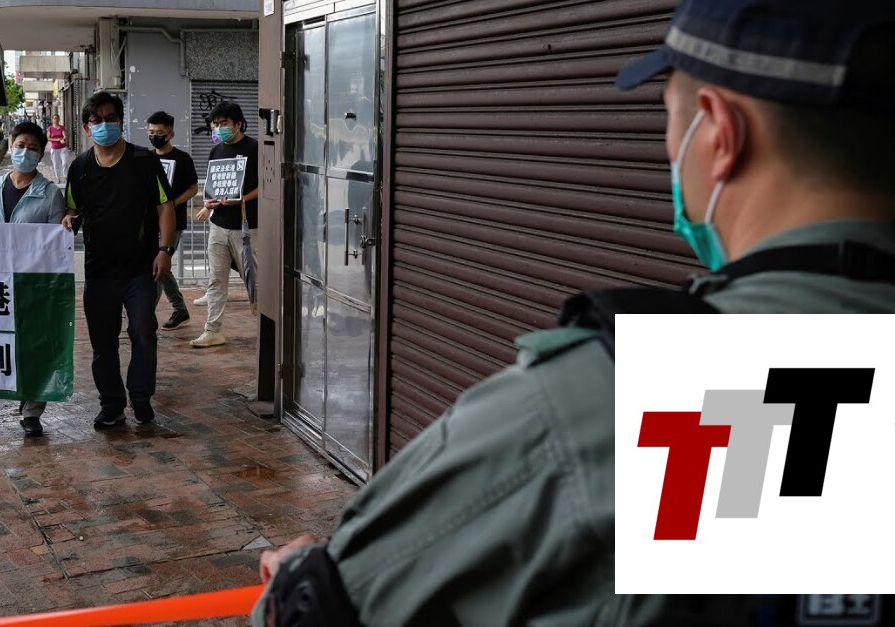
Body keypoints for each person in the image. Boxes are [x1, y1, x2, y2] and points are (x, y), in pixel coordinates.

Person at [250, 1, 895, 625]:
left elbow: (329, 605)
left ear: (720, 133)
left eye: (670, 119)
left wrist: (298, 585)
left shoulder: (651, 398)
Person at [61, 92, 176, 428]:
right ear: (86, 128)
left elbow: (165, 206)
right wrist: (68, 220)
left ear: (121, 121)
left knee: (143, 332)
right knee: (103, 342)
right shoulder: (80, 167)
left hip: (140, 268)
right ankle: (111, 404)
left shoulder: (144, 160)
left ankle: (140, 397)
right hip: (99, 271)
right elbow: (72, 209)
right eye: (96, 120)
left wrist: (164, 250)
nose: (104, 124)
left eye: (110, 118)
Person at [0, 121, 65, 437]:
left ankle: (32, 410)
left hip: (33, 282)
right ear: (11, 144)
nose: (25, 152)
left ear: (41, 153)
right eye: (20, 145)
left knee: (35, 344)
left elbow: (56, 243)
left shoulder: (50, 194)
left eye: (32, 148)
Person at [191, 101, 259, 348]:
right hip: (218, 225)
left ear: (238, 124)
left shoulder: (255, 148)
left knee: (255, 280)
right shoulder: (216, 151)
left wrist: (243, 199)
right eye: (215, 124)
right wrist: (207, 203)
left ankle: (270, 327)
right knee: (216, 279)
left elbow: (268, 184)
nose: (219, 128)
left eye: (224, 123)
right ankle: (212, 330)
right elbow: (212, 186)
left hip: (247, 227)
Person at [147, 111, 199, 330]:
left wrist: (173, 203)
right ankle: (179, 309)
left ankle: (146, 315)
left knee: (158, 266)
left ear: (170, 134)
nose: (154, 136)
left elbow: (193, 188)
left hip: (173, 222)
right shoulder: (147, 158)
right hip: (150, 221)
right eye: (151, 132)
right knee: (160, 266)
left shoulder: (182, 159)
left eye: (159, 132)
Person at [47, 114, 70, 183]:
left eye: (57, 118)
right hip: (54, 149)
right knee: (56, 164)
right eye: (54, 118)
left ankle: (65, 176)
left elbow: (65, 136)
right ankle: (58, 178)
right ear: (52, 119)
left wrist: (63, 139)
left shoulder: (62, 127)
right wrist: (56, 139)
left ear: (59, 119)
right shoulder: (50, 128)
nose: (56, 120)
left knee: (64, 163)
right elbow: (48, 138)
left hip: (63, 148)